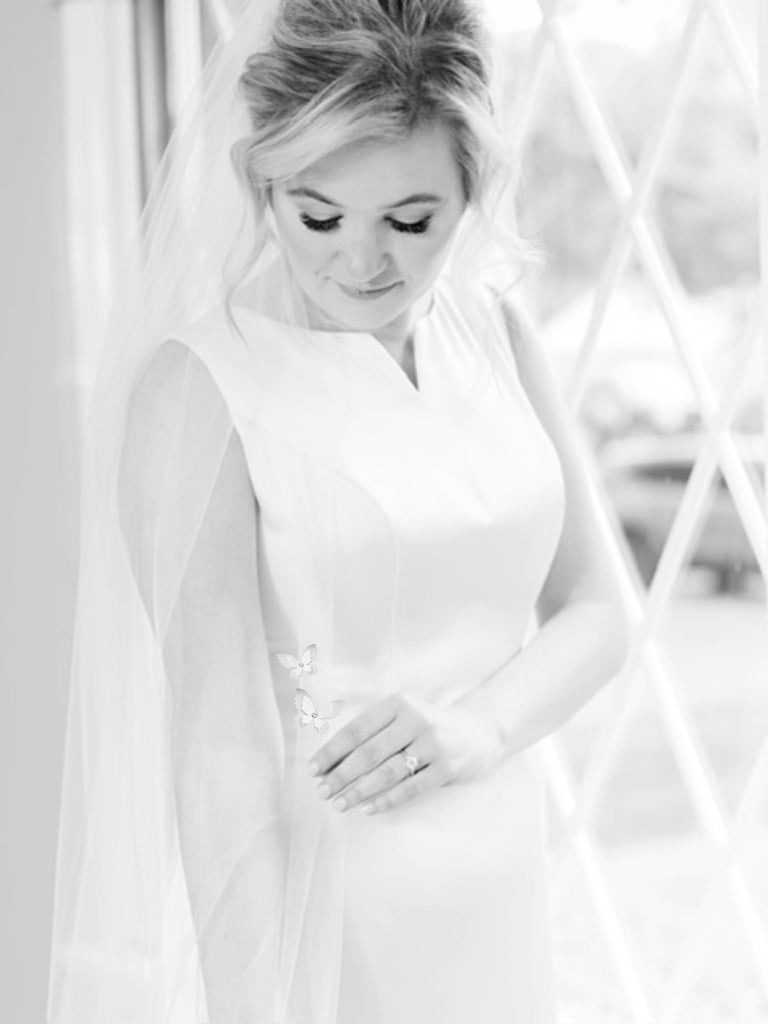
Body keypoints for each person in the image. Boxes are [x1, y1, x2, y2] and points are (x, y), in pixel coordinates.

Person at [47, 1, 629, 1022]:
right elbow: (217, 742)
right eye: (318, 214)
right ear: (259, 184)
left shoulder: (494, 330)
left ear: (471, 190)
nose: (362, 263)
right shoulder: (199, 389)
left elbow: (596, 609)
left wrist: (479, 730)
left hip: (495, 861)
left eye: (412, 221)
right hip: (328, 883)